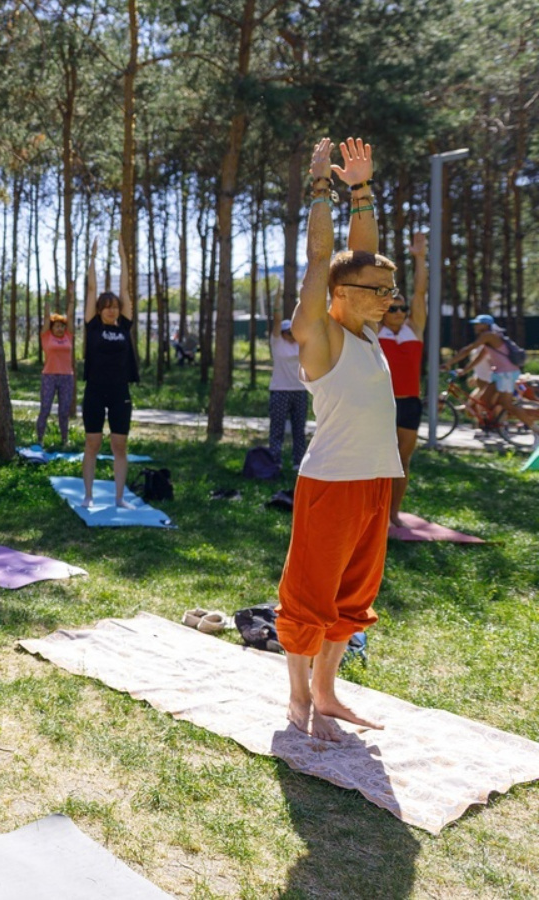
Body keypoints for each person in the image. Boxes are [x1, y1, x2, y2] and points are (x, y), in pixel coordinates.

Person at [277, 136, 400, 743]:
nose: (390, 300)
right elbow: (326, 259)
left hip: (377, 480)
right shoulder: (320, 332)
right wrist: (322, 188)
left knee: (354, 597)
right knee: (310, 596)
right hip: (330, 483)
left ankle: (327, 692)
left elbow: (362, 259)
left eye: (390, 292)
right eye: (380, 293)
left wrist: (362, 187)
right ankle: (298, 696)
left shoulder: (367, 328)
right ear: (343, 295)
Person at [79, 243, 139, 509]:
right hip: (94, 391)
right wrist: (91, 258)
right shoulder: (92, 326)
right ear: (100, 310)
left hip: (119, 393)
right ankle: (88, 495)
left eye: (114, 306)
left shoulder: (125, 326)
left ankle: (119, 498)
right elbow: (91, 289)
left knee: (119, 444)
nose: (111, 310)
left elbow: (126, 290)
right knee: (92, 442)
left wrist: (124, 258)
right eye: (106, 306)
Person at [377, 233, 429, 526]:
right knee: (378, 461)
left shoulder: (414, 330)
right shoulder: (376, 330)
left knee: (402, 461)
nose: (397, 312)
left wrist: (419, 258)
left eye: (401, 308)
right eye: (391, 307)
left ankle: (393, 514)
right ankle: (375, 512)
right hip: (381, 404)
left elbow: (419, 293)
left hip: (409, 404)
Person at [443, 314, 537, 432]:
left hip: (507, 374)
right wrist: (465, 371)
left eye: (478, 324)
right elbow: (478, 358)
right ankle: (492, 424)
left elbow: (468, 349)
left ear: (486, 325)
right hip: (498, 374)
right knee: (483, 400)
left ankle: (534, 428)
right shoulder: (488, 340)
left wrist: (449, 363)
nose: (475, 326)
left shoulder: (489, 336)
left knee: (507, 404)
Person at [36, 284, 78, 447]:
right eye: (57, 326)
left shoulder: (68, 336)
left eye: (62, 326)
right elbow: (47, 317)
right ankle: (39, 439)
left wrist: (72, 298)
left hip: (67, 377)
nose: (60, 328)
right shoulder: (46, 336)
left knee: (63, 412)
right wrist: (47, 299)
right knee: (45, 408)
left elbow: (70, 315)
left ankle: (64, 440)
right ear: (52, 328)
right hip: (49, 376)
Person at [267, 318, 308, 469]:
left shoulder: (301, 345)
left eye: (293, 332)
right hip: (280, 390)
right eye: (288, 332)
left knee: (299, 428)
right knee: (277, 428)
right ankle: (275, 461)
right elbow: (276, 324)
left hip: (300, 390)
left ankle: (298, 461)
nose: (291, 335)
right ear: (282, 333)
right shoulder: (277, 343)